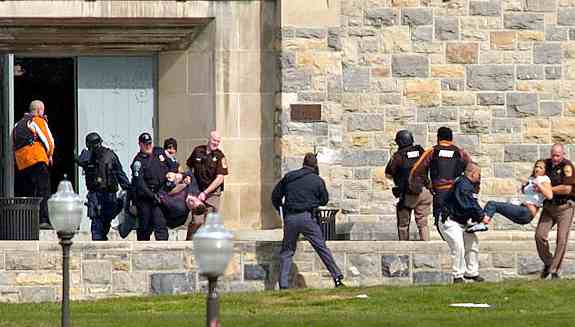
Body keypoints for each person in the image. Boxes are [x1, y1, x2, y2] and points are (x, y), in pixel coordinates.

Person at [271, 153, 344, 289]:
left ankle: (283, 285)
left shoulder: (289, 177)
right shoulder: (317, 180)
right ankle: (337, 278)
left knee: (287, 251)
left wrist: (281, 210)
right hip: (308, 218)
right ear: (315, 165)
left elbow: (275, 196)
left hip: (290, 218)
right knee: (321, 248)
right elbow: (324, 200)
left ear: (303, 163)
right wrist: (313, 201)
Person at [409, 126, 472, 234]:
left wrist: (427, 184)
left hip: (440, 192)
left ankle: (449, 244)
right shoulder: (460, 152)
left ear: (438, 138)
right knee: (457, 220)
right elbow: (473, 169)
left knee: (440, 221)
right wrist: (470, 188)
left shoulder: (432, 151)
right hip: (457, 192)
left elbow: (416, 169)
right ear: (451, 139)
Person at [76, 132, 130, 241]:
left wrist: (129, 188)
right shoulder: (87, 156)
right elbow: (80, 161)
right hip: (95, 194)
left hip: (109, 193)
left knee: (106, 220)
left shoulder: (110, 156)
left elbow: (119, 173)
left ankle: (102, 237)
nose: (95, 148)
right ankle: (98, 243)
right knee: (96, 224)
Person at [439, 163, 487, 283]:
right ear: (473, 173)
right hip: (450, 221)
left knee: (473, 243)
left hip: (463, 221)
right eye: (478, 174)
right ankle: (458, 276)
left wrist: (477, 219)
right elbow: (468, 204)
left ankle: (471, 273)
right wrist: (482, 217)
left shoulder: (469, 184)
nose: (480, 176)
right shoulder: (463, 185)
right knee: (458, 246)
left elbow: (472, 204)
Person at [472, 160, 552, 231]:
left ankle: (482, 223)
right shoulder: (532, 179)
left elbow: (550, 195)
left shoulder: (544, 179)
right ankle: (479, 223)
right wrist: (524, 186)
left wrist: (539, 185)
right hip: (521, 211)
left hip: (527, 213)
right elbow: (529, 195)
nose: (537, 169)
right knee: (497, 206)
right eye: (536, 166)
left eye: (541, 168)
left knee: (492, 204)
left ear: (545, 170)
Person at [535, 144, 575, 279]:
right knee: (539, 236)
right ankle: (548, 262)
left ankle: (555, 271)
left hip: (565, 208)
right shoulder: (545, 164)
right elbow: (534, 178)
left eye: (558, 155)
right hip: (548, 207)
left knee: (561, 239)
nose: (555, 158)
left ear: (563, 155)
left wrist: (547, 189)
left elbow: (567, 189)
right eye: (553, 155)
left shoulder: (567, 166)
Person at [13, 100, 55, 229]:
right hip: (37, 159)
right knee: (43, 189)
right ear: (38, 110)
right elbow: (48, 140)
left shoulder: (17, 124)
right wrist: (49, 155)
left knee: (28, 192)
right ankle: (43, 220)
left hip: (22, 163)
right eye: (43, 110)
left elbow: (12, 144)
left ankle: (27, 222)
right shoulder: (37, 120)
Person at [385, 130, 432, 241]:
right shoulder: (421, 151)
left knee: (403, 225)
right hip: (425, 191)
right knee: (423, 223)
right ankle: (427, 249)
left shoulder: (398, 156)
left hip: (409, 194)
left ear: (400, 142)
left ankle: (404, 253)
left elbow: (388, 174)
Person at [185, 130, 228, 240]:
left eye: (218, 141)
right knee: (197, 221)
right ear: (209, 139)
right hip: (198, 190)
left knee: (210, 222)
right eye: (214, 140)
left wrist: (206, 192)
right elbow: (189, 166)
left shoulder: (220, 156)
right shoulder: (198, 150)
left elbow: (220, 178)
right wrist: (188, 177)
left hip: (212, 193)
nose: (216, 143)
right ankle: (188, 243)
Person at [131, 132, 169, 241]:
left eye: (149, 143)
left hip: (160, 195)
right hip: (145, 198)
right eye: (145, 144)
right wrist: (152, 195)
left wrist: (175, 175)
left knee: (161, 225)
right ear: (140, 145)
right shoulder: (138, 161)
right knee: (145, 227)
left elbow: (173, 165)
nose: (148, 146)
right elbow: (139, 183)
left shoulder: (159, 152)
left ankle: (164, 251)